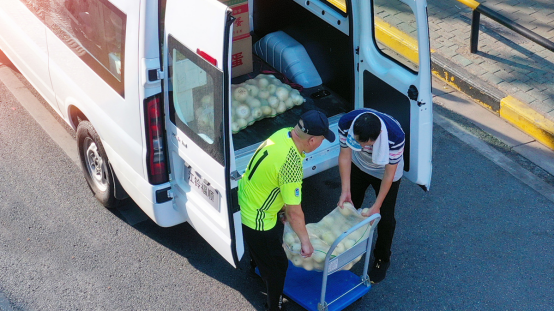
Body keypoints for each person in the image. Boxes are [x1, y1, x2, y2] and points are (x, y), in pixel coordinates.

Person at [239, 110, 335, 311]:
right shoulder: (290, 163)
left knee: (263, 251)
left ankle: (255, 263)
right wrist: (306, 242)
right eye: (322, 139)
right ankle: (273, 306)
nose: (322, 143)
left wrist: (280, 209)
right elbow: (294, 213)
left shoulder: (284, 134)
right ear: (311, 141)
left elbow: (274, 179)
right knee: (278, 267)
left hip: (249, 196)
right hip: (258, 217)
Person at [336, 108, 405, 284]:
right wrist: (345, 191)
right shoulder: (346, 123)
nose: (363, 147)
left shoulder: (395, 136)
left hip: (385, 171)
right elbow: (345, 156)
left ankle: (382, 258)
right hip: (359, 164)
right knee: (349, 206)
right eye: (359, 143)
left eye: (368, 145)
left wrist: (376, 206)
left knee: (385, 217)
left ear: (379, 135)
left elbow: (389, 175)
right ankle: (345, 249)